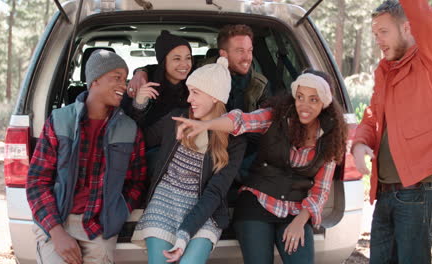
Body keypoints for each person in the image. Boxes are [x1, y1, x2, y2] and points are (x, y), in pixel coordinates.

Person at [173, 69, 348, 264]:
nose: (304, 105)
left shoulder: (331, 137)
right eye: (300, 97)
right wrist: (208, 125)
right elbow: (241, 121)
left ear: (325, 103)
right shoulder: (277, 116)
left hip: (295, 210)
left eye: (313, 99)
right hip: (257, 201)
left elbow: (320, 191)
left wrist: (301, 221)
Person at [26, 49, 148, 264]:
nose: (124, 85)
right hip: (57, 222)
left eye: (125, 78)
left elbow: (137, 181)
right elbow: (37, 182)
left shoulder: (130, 130)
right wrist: (56, 231)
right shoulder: (59, 121)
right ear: (94, 81)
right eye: (116, 78)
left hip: (99, 227)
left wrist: (118, 212)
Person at [131, 57, 247, 264]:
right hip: (164, 201)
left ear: (214, 97)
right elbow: (139, 138)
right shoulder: (176, 119)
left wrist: (185, 234)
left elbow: (215, 193)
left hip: (204, 208)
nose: (188, 99)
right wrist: (139, 104)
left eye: (195, 93)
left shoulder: (235, 141)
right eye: (189, 91)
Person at [351, 0, 432, 263]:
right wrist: (359, 143)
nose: (378, 39)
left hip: (419, 190)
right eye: (375, 33)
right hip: (385, 191)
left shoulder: (430, 60)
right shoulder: (385, 71)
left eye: (384, 32)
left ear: (407, 28)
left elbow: (424, 19)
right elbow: (371, 115)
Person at [127, 24, 269, 113]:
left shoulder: (260, 84)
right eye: (240, 51)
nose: (247, 57)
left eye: (250, 50)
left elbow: (266, 120)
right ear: (223, 54)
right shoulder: (201, 70)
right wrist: (141, 72)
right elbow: (165, 69)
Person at [120, 30, 192, 129]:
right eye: (177, 59)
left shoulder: (195, 81)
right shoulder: (145, 83)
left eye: (188, 58)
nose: (185, 64)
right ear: (163, 62)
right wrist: (139, 103)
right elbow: (128, 125)